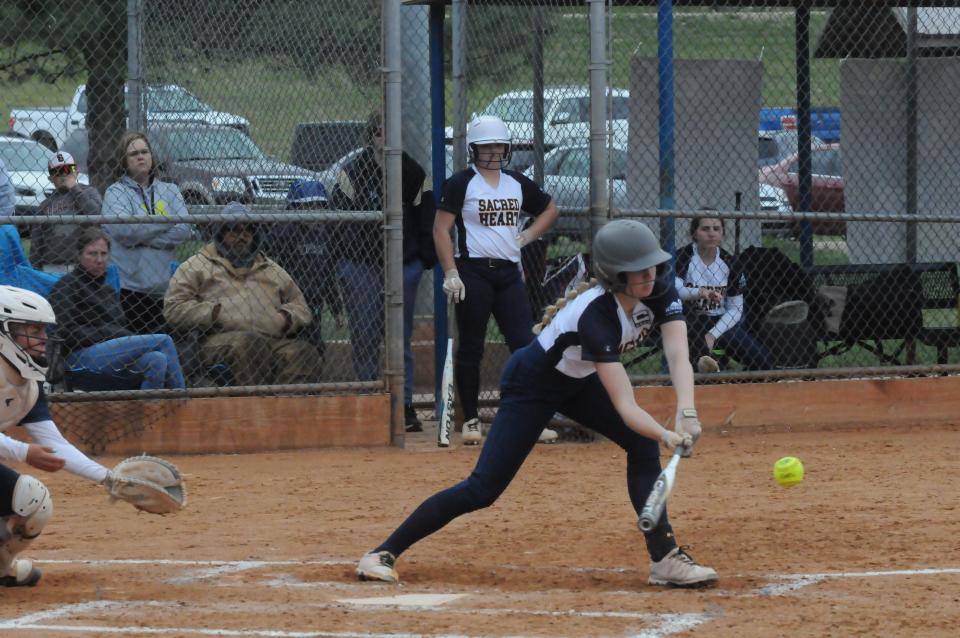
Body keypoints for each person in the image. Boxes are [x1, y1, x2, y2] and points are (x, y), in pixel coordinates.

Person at [355, 220, 717, 588]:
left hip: (578, 380)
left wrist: (687, 412)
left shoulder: (659, 289)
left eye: (652, 265)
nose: (650, 275)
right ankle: (383, 552)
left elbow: (677, 352)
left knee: (640, 445)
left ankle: (664, 558)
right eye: (638, 270)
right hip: (533, 384)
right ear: (615, 276)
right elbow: (626, 405)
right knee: (483, 489)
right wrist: (665, 435)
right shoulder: (596, 316)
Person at [0, 285, 149, 587]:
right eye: (32, 330)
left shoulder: (27, 384)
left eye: (43, 330)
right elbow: (28, 451)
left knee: (33, 501)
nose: (42, 339)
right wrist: (24, 452)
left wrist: (110, 479)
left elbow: (56, 445)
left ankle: (1, 568)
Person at [434, 114, 559, 445]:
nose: (492, 151)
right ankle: (472, 420)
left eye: (498, 146)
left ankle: (528, 419)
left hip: (508, 273)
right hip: (473, 272)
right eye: (485, 146)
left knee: (524, 344)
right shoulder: (461, 183)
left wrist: (528, 235)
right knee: (472, 346)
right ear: (474, 149)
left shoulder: (516, 182)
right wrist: (450, 272)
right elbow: (441, 229)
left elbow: (549, 209)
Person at [329, 112, 438, 432]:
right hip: (362, 267)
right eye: (376, 130)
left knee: (399, 338)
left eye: (388, 130)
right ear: (369, 135)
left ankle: (403, 405)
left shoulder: (413, 172)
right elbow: (338, 225)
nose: (382, 134)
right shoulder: (352, 172)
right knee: (364, 337)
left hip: (403, 266)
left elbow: (426, 221)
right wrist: (348, 262)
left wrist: (420, 262)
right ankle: (367, 402)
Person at [163, 202, 320, 386]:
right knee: (249, 344)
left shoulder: (271, 268)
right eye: (234, 230)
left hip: (271, 339)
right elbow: (173, 308)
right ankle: (253, 408)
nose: (242, 236)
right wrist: (213, 313)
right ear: (220, 233)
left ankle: (283, 409)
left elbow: (301, 306)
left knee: (303, 352)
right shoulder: (197, 265)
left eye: (248, 230)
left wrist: (285, 317)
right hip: (219, 340)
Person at [48, 228, 185, 390]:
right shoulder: (67, 286)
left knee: (157, 359)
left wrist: (114, 334)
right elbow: (65, 333)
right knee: (164, 340)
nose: (99, 260)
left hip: (110, 356)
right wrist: (107, 333)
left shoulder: (108, 292)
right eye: (92, 254)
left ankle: (147, 413)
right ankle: (184, 402)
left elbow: (120, 331)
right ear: (79, 256)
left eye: (104, 254)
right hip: (79, 357)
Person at [102, 132, 195, 335]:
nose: (140, 157)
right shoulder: (115, 193)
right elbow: (125, 230)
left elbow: (184, 230)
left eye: (144, 152)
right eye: (133, 154)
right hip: (130, 290)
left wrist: (143, 235)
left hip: (165, 289)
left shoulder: (170, 190)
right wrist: (167, 220)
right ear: (124, 161)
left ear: (152, 156)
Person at [263, 180, 344, 376]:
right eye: (307, 206)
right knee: (290, 346)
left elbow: (329, 276)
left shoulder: (325, 236)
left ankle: (312, 388)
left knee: (316, 347)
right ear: (295, 209)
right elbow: (268, 245)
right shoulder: (288, 232)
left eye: (318, 206)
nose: (313, 212)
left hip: (315, 303)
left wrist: (337, 310)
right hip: (289, 303)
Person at [674, 214, 772, 373]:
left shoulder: (730, 262)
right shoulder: (682, 257)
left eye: (716, 229)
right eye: (705, 229)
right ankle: (703, 369)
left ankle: (731, 382)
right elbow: (676, 291)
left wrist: (713, 335)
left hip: (720, 321)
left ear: (723, 234)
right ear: (694, 233)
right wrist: (700, 292)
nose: (711, 233)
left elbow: (736, 310)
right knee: (695, 362)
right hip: (690, 320)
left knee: (764, 362)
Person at [30, 151, 104, 273]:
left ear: (77, 172)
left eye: (69, 169)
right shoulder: (45, 206)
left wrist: (74, 188)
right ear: (51, 178)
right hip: (52, 267)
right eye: (58, 171)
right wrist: (35, 270)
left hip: (83, 265)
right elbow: (36, 244)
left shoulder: (89, 192)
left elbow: (96, 215)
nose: (64, 174)